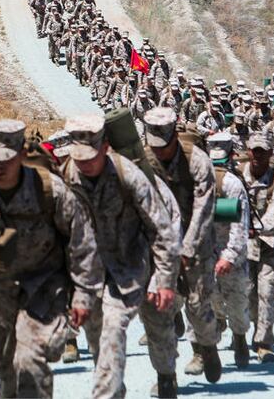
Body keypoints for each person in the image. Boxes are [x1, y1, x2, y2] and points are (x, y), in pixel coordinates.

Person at [0, 119, 102, 398]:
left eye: (5, 159)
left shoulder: (49, 190)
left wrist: (83, 295)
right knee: (5, 366)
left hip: (44, 288)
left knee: (30, 362)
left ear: (22, 154)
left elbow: (81, 243)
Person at [62, 115, 180, 399]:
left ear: (104, 148)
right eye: (78, 157)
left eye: (90, 157)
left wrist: (165, 280)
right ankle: (113, 389)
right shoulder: (66, 178)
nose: (83, 164)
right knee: (97, 337)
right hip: (92, 272)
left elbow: (162, 228)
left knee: (154, 327)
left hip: (135, 264)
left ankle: (166, 376)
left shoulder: (129, 176)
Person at [142, 108, 223, 384]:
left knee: (198, 306)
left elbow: (204, 209)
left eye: (163, 146)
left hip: (196, 242)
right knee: (158, 310)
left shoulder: (197, 161)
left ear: (174, 138)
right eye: (154, 145)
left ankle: (208, 346)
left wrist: (186, 249)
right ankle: (166, 375)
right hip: (160, 245)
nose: (159, 152)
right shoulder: (144, 163)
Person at [240, 135, 274, 363]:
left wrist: (254, 228)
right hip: (243, 246)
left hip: (269, 245)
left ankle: (264, 342)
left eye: (262, 151)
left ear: (270, 153)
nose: (257, 155)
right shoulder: (237, 177)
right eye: (254, 150)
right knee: (246, 293)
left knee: (267, 291)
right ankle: (248, 330)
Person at [205, 133, 251, 369]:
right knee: (208, 301)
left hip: (231, 254)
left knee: (236, 303)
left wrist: (230, 256)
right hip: (206, 253)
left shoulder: (233, 184)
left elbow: (239, 225)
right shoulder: (198, 181)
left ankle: (240, 338)